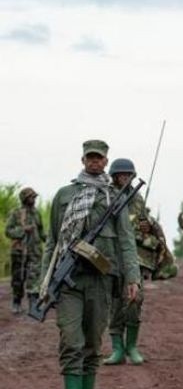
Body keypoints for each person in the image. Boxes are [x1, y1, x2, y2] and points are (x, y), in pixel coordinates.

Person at [41, 140, 140, 389]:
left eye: (99, 158)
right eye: (90, 157)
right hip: (68, 282)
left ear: (106, 161)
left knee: (92, 346)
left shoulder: (114, 197)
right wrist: (44, 281)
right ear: (83, 160)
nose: (94, 161)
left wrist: (133, 278)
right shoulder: (65, 195)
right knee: (71, 342)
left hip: (101, 281)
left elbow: (127, 242)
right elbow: (52, 241)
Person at [103, 158, 150, 366]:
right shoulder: (105, 195)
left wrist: (145, 226)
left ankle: (131, 346)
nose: (124, 178)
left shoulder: (137, 199)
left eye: (128, 175)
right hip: (111, 258)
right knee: (114, 305)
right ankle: (117, 349)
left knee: (134, 300)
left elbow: (143, 224)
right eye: (120, 175)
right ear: (113, 176)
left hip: (134, 259)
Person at [5, 187, 45, 314]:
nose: (33, 199)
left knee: (34, 277)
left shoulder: (36, 213)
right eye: (30, 197)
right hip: (19, 252)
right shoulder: (16, 213)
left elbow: (41, 232)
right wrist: (23, 230)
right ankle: (16, 302)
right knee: (18, 278)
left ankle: (33, 304)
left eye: (34, 197)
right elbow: (8, 231)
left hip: (35, 252)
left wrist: (51, 240)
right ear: (24, 199)